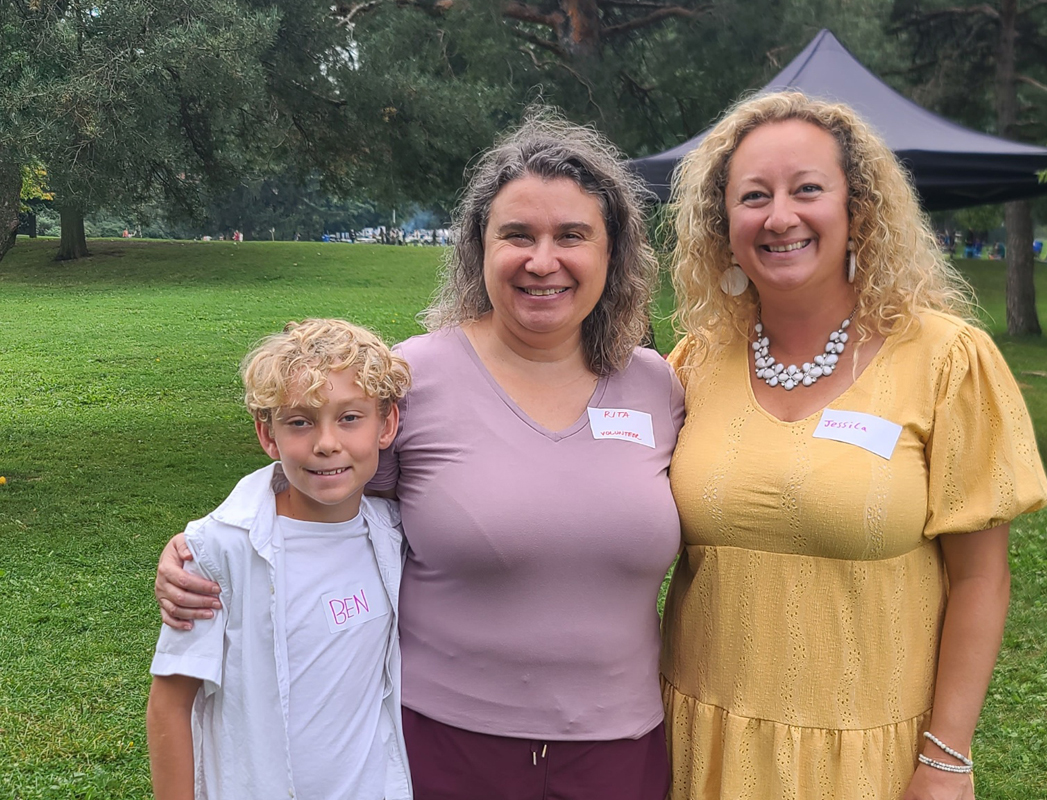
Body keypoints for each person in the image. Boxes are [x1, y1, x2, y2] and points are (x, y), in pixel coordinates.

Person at [154, 113, 682, 800]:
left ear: (613, 254)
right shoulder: (413, 379)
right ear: (478, 249)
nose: (543, 260)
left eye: (572, 236)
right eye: (517, 235)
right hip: (443, 748)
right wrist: (203, 548)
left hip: (622, 750)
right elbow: (324, 481)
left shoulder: (658, 386)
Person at [661, 92, 1047, 800]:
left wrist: (946, 758)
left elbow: (980, 580)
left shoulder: (947, 360)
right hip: (701, 742)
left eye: (807, 189)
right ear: (724, 224)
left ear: (857, 208)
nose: (780, 216)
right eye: (754, 196)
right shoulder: (695, 362)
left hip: (871, 759)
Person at [146, 318, 413, 800]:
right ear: (268, 435)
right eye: (300, 421)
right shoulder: (218, 553)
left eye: (350, 417)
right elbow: (170, 703)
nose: (326, 442)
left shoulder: (395, 532)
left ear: (386, 424)